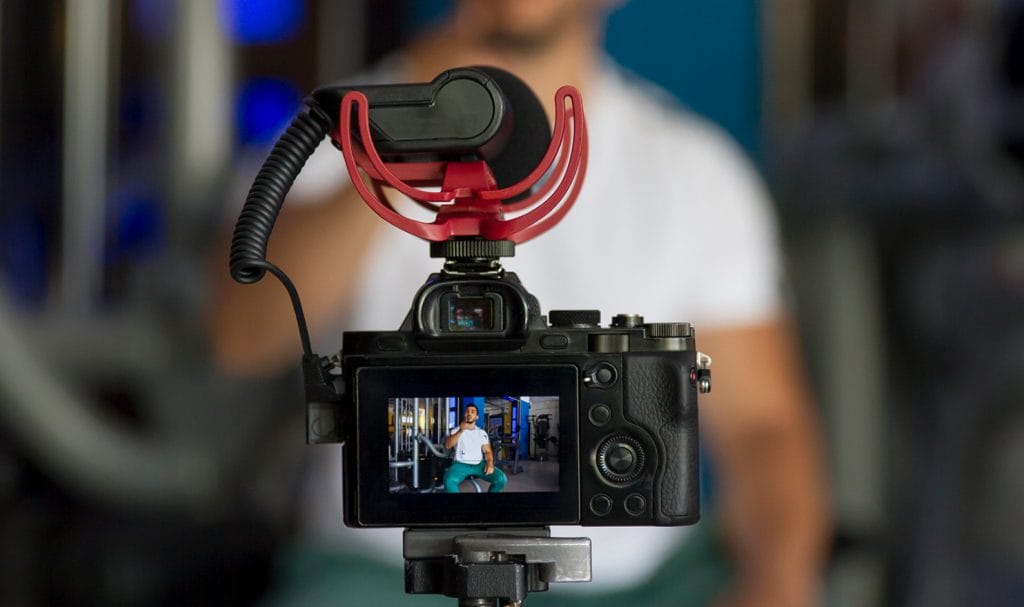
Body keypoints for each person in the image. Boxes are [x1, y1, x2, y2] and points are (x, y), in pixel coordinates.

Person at [211, 1, 830, 605]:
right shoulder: (337, 128)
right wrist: (401, 143)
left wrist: (777, 584)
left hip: (637, 577)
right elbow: (240, 339)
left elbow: (762, 428)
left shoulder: (695, 171)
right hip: (379, 569)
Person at [443, 403, 507, 493]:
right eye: (467, 411)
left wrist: (490, 464)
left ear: (477, 417)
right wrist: (461, 430)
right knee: (448, 480)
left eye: (472, 412)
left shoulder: (482, 433)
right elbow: (447, 445)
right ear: (465, 415)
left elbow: (488, 452)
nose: (469, 413)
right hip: (460, 464)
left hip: (479, 465)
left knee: (501, 478)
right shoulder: (455, 430)